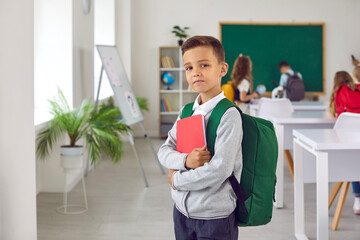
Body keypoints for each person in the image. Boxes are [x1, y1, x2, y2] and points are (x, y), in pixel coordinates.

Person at [158, 35, 242, 239]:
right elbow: (164, 151)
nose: (195, 72)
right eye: (189, 68)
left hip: (215, 217)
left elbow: (219, 170)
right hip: (182, 212)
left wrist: (177, 179)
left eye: (204, 65)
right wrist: (185, 160)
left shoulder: (228, 115)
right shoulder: (187, 111)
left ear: (222, 69)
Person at [329, 71, 360, 214]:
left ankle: (358, 199)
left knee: (352, 161)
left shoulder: (340, 90)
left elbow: (336, 113)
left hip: (347, 141)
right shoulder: (355, 88)